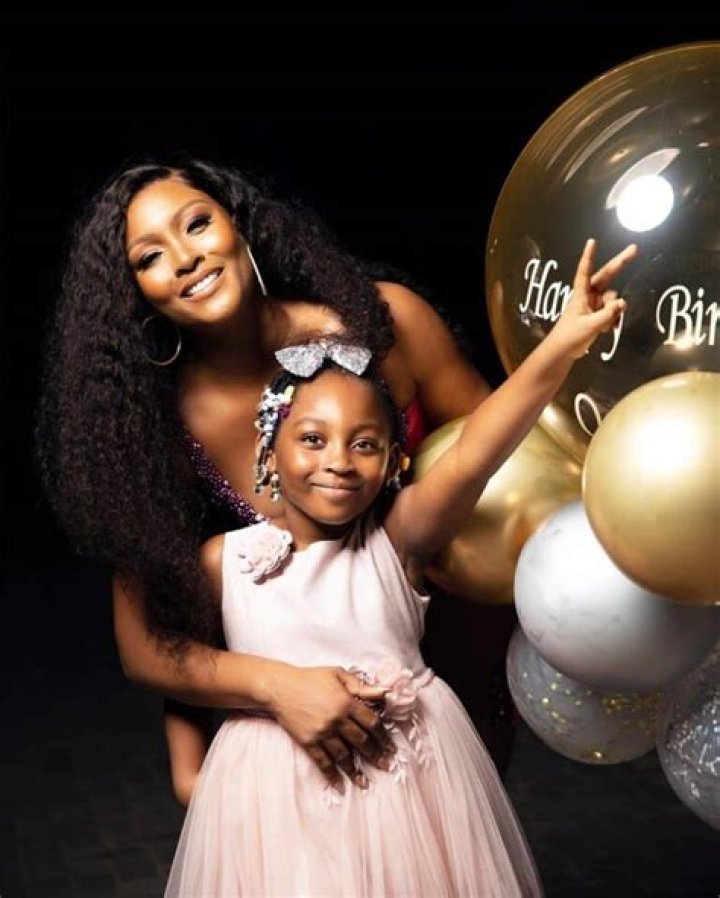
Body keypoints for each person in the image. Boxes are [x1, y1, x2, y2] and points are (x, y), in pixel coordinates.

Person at [162, 236, 636, 895]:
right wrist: (192, 775)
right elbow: (184, 667)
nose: (337, 461)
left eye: (364, 445)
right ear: (268, 453)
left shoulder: (400, 538)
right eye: (312, 439)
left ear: (394, 462)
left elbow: (476, 448)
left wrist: (562, 343)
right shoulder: (226, 561)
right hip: (276, 813)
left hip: (408, 802)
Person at [37, 156, 516, 800]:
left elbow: (512, 471)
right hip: (312, 722)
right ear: (135, 294)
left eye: (196, 224)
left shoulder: (388, 324)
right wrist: (276, 688)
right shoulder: (154, 431)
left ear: (239, 222)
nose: (184, 258)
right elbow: (147, 645)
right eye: (150, 257)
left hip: (456, 661)